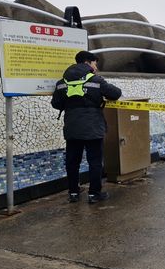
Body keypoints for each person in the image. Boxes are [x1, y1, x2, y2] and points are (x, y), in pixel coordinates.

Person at [51, 51, 122, 204]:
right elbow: (116, 93)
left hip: (72, 128)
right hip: (93, 128)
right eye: (95, 63)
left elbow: (55, 103)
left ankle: (74, 193)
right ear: (87, 63)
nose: (96, 66)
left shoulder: (62, 82)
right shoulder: (96, 80)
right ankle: (94, 194)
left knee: (72, 161)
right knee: (95, 161)